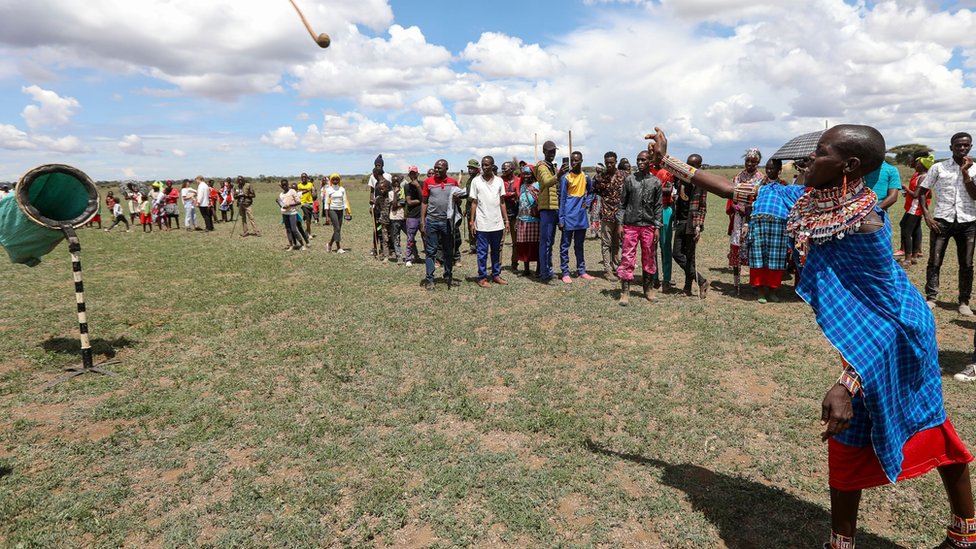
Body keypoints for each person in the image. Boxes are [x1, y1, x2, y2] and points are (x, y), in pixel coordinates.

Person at [647, 124, 975, 549]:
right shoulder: (805, 203)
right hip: (868, 341)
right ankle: (846, 542)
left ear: (849, 166)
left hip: (900, 338)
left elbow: (890, 317)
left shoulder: (865, 226)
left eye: (820, 154)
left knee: (925, 426)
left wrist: (847, 382)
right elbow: (732, 191)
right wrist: (666, 162)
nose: (807, 162)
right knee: (854, 437)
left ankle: (963, 535)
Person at [918, 132, 976, 316]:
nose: (962, 148)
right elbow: (922, 191)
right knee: (935, 260)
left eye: (966, 145)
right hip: (941, 221)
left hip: (968, 222)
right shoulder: (938, 168)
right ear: (951, 147)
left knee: (966, 263)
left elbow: (975, 196)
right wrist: (927, 216)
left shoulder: (975, 169)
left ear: (971, 147)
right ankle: (931, 297)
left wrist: (965, 172)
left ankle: (964, 302)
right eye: (958, 145)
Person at [747, 159, 806, 303]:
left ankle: (772, 290)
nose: (769, 171)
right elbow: (748, 201)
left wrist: (804, 171)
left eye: (772, 168)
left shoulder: (785, 186)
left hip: (779, 224)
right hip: (759, 221)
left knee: (776, 257)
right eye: (767, 168)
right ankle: (760, 290)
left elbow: (798, 195)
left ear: (779, 170)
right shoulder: (758, 185)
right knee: (758, 255)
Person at [615, 150, 663, 305]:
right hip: (630, 225)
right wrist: (620, 224)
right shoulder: (629, 180)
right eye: (638, 160)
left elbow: (658, 207)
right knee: (627, 257)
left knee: (649, 257)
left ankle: (648, 289)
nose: (640, 163)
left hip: (649, 226)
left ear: (650, 162)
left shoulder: (656, 182)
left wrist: (657, 227)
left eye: (643, 160)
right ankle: (625, 292)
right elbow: (622, 204)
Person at [727, 148, 767, 293]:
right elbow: (731, 198)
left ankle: (756, 285)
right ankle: (736, 285)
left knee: (754, 250)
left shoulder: (762, 179)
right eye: (747, 161)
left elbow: (762, 200)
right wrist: (738, 207)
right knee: (736, 247)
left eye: (753, 162)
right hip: (738, 217)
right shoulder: (738, 177)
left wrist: (750, 208)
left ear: (758, 163)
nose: (750, 164)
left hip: (754, 218)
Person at [421, 159, 463, 290]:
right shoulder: (428, 182)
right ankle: (430, 279)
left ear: (446, 168)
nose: (437, 170)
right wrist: (422, 220)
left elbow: (458, 203)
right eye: (435, 168)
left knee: (448, 251)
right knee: (431, 251)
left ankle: (448, 277)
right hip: (432, 220)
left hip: (447, 221)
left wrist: (458, 199)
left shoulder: (453, 182)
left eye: (440, 168)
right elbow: (424, 202)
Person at [672, 154, 709, 297]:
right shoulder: (681, 178)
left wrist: (698, 226)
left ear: (698, 167)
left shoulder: (701, 183)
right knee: (676, 254)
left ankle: (687, 288)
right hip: (680, 221)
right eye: (688, 164)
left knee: (690, 256)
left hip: (692, 223)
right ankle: (701, 280)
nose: (689, 167)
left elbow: (703, 207)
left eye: (693, 165)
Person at [469, 155, 510, 287]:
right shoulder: (476, 181)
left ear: (492, 166)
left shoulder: (499, 181)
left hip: (497, 223)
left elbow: (502, 202)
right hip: (482, 223)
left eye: (487, 165)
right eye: (483, 165)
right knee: (482, 252)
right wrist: (471, 221)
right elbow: (474, 202)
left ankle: (496, 275)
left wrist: (506, 220)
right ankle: (482, 277)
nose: (484, 167)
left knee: (496, 251)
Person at [558, 150, 595, 283]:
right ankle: (565, 272)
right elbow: (561, 199)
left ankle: (581, 271)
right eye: (572, 160)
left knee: (579, 245)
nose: (574, 163)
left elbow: (591, 192)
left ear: (581, 161)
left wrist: (587, 202)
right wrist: (561, 219)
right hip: (568, 217)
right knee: (564, 246)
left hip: (581, 218)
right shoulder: (565, 178)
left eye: (576, 160)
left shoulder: (586, 177)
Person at [536, 140, 568, 282]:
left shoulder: (551, 167)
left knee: (550, 242)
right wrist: (559, 175)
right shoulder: (541, 167)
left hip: (554, 208)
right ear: (544, 152)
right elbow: (546, 182)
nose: (552, 154)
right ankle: (544, 273)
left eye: (554, 152)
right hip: (547, 209)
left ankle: (548, 270)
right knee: (546, 242)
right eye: (550, 152)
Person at [592, 151, 625, 281]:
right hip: (606, 214)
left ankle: (617, 267)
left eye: (612, 162)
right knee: (606, 243)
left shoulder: (624, 176)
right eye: (607, 163)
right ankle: (607, 270)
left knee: (617, 243)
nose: (609, 165)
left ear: (616, 161)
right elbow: (595, 190)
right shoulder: (600, 177)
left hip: (620, 215)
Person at [897, 153, 933, 264]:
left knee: (906, 231)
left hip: (915, 207)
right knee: (915, 229)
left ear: (923, 166)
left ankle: (907, 259)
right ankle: (914, 256)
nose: (916, 165)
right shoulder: (919, 175)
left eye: (918, 163)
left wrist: (905, 188)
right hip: (914, 207)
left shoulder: (923, 177)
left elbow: (916, 195)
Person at [651, 157, 676, 291]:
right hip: (649, 212)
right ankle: (654, 277)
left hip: (665, 209)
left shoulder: (667, 172)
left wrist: (650, 191)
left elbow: (669, 189)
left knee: (665, 246)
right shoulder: (647, 171)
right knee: (651, 247)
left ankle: (666, 279)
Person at [514, 166, 541, 276]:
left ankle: (539, 269)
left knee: (536, 245)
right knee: (524, 245)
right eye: (524, 173)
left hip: (534, 220)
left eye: (528, 173)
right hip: (522, 219)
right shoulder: (522, 186)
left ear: (533, 174)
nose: (526, 176)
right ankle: (526, 269)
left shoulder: (538, 185)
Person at [500, 161, 521, 271]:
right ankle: (497, 265)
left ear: (512, 169)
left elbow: (520, 194)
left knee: (516, 242)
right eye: (502, 168)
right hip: (502, 213)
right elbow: (500, 195)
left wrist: (514, 195)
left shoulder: (518, 180)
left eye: (505, 168)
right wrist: (511, 194)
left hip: (516, 213)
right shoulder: (499, 180)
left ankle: (514, 264)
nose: (503, 170)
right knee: (500, 242)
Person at [324, 173, 351, 253]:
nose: (335, 181)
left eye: (337, 179)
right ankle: (339, 248)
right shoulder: (328, 190)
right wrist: (327, 217)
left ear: (339, 180)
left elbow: (345, 200)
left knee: (337, 230)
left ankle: (329, 244)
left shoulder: (342, 189)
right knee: (337, 229)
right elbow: (326, 203)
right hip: (332, 210)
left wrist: (347, 211)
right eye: (333, 179)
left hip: (340, 210)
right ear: (331, 180)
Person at [403, 166, 424, 266]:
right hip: (412, 216)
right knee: (410, 238)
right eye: (411, 173)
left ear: (417, 174)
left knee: (426, 237)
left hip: (423, 215)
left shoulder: (423, 184)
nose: (413, 175)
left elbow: (424, 197)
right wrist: (420, 201)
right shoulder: (407, 186)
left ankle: (430, 257)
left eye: (414, 173)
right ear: (409, 175)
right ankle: (408, 258)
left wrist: (418, 187)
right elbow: (409, 202)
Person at [278, 179, 305, 251]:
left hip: (292, 213)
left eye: (285, 185)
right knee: (288, 230)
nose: (284, 186)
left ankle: (302, 245)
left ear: (288, 185)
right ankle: (291, 245)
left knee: (294, 229)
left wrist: (289, 205)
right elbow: (282, 206)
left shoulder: (292, 191)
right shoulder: (281, 194)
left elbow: (299, 202)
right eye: (283, 185)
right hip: (284, 213)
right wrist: (278, 203)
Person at [388, 174, 406, 262]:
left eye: (397, 181)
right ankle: (399, 256)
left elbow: (405, 203)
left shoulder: (404, 191)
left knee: (410, 237)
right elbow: (394, 206)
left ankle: (414, 255)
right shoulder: (390, 193)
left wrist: (400, 203)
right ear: (391, 183)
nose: (395, 183)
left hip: (404, 218)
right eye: (394, 181)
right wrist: (395, 193)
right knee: (396, 238)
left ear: (400, 182)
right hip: (394, 218)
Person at [374, 178, 392, 261]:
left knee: (394, 238)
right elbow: (375, 207)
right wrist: (373, 209)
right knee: (385, 239)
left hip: (393, 220)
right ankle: (386, 256)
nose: (381, 190)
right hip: (383, 221)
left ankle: (397, 254)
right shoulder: (378, 198)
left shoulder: (391, 197)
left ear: (387, 188)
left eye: (382, 188)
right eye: (379, 189)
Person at [297, 173, 315, 237]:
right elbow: (298, 192)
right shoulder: (299, 185)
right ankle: (309, 234)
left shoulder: (310, 184)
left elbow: (313, 191)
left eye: (305, 177)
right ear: (301, 178)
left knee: (309, 219)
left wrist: (314, 194)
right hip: (303, 203)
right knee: (307, 219)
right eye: (302, 177)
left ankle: (307, 230)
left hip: (310, 203)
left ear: (307, 178)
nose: (304, 178)